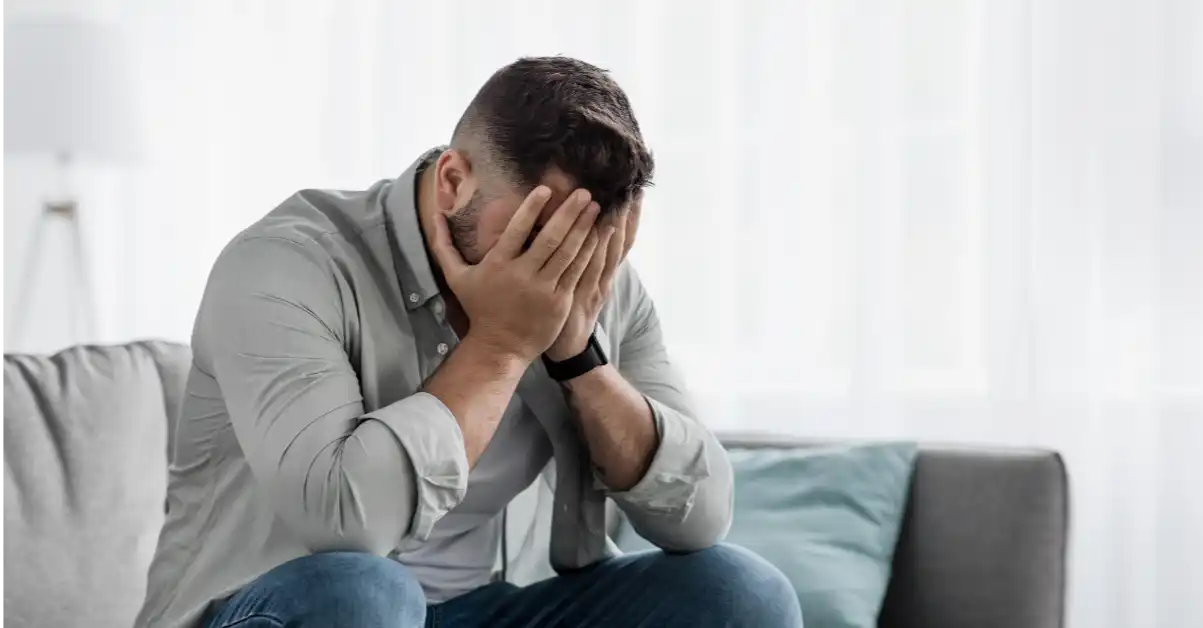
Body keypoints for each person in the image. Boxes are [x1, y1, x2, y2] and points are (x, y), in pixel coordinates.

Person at [135, 56, 802, 628]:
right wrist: (504, 345)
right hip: (293, 605)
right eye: (536, 232)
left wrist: (577, 356)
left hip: (494, 606)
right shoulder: (288, 265)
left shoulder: (596, 278)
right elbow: (346, 524)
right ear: (454, 180)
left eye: (585, 240)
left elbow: (700, 517)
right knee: (363, 592)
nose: (561, 266)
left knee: (741, 594)